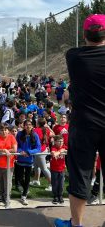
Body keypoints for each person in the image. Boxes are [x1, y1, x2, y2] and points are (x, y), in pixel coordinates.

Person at [55, 14, 105, 227]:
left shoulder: (74, 56)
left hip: (84, 126)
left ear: (84, 34)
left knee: (80, 176)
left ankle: (76, 224)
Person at [15, 119, 41, 206]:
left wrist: (29, 152)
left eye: (30, 124)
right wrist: (20, 151)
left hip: (29, 160)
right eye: (26, 124)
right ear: (24, 125)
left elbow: (38, 148)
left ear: (32, 126)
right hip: (20, 159)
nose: (28, 126)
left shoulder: (35, 135)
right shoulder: (19, 134)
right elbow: (16, 145)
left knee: (27, 179)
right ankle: (26, 188)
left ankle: (24, 195)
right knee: (19, 177)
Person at [0, 123, 17, 205]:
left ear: (8, 131)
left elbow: (15, 149)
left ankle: (7, 196)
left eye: (5, 130)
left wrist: (8, 151)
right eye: (2, 130)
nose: (3, 132)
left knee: (8, 182)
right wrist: (4, 150)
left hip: (8, 165)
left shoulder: (12, 137)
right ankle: (0, 194)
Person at [50, 135, 67, 205]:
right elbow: (54, 154)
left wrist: (63, 150)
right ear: (55, 142)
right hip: (54, 169)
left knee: (61, 183)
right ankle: (55, 196)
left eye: (62, 141)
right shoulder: (53, 147)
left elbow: (67, 149)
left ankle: (60, 195)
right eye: (59, 141)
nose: (61, 143)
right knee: (55, 183)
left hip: (62, 168)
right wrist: (60, 151)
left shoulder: (64, 147)